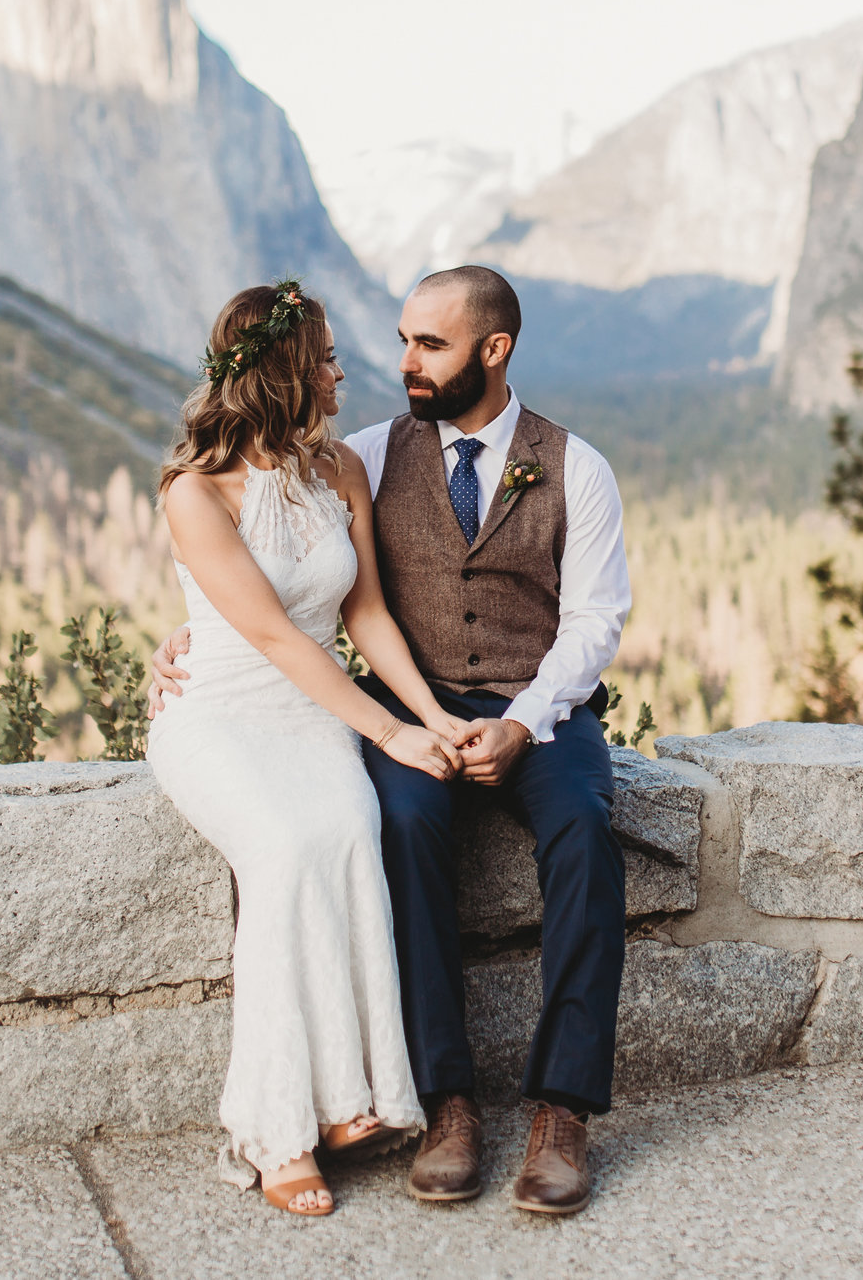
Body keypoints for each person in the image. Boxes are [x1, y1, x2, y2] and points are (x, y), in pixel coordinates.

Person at [152, 265, 632, 1217]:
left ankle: (563, 1110)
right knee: (399, 821)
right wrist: (182, 641)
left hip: (540, 706)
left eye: (429, 344)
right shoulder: (370, 452)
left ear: (493, 351)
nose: (400, 362)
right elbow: (281, 595)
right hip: (401, 707)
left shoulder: (577, 467)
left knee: (584, 829)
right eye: (402, 339)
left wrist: (521, 719)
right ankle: (446, 1100)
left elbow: (594, 625)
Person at [146, 281, 472, 1218]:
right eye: (326, 358)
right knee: (286, 851)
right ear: (286, 371)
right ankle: (275, 1127)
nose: (341, 372)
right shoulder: (195, 492)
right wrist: (389, 732)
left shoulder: (341, 473)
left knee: (349, 828)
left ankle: (350, 1103)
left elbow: (360, 613)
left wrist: (431, 718)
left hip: (313, 715)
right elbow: (279, 639)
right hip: (221, 714)